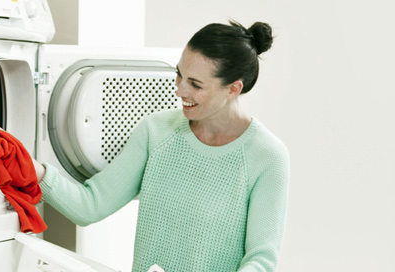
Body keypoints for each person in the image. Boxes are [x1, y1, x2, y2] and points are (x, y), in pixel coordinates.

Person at [32, 20, 290, 272]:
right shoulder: (155, 131)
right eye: (180, 75)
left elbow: (261, 260)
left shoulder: (267, 156)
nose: (180, 90)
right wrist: (33, 170)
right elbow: (90, 206)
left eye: (195, 85)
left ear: (233, 89)